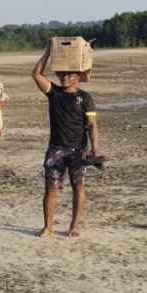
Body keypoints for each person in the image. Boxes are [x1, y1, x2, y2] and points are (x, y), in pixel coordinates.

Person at [31, 42, 101, 238]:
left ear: (77, 77)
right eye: (62, 74)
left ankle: (74, 225)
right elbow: (36, 74)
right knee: (50, 188)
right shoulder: (54, 93)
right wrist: (48, 50)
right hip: (56, 149)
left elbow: (93, 125)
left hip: (78, 150)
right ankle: (48, 227)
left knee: (78, 186)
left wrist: (95, 146)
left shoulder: (85, 98)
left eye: (69, 75)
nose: (65, 78)